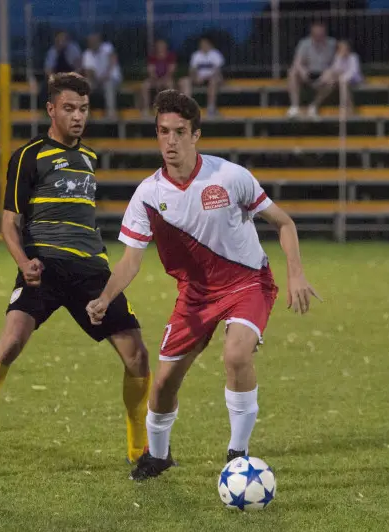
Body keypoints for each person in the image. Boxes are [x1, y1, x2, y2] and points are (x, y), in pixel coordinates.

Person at [85, 90, 321, 481]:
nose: (170, 141)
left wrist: (295, 271)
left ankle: (238, 455)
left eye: (179, 132)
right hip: (195, 296)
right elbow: (130, 260)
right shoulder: (148, 194)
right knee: (162, 384)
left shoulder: (228, 176)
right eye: (163, 132)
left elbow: (285, 223)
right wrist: (106, 298)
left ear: (196, 135)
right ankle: (158, 457)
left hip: (247, 283)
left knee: (236, 355)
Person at [0, 73, 151, 476]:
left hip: (90, 272)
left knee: (136, 355)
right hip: (42, 267)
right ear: (51, 110)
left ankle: (140, 453)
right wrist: (23, 262)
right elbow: (10, 221)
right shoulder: (28, 155)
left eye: (83, 109)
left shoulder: (91, 159)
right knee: (11, 341)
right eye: (69, 108)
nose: (78, 116)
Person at [286, 23, 337, 118]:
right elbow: (297, 61)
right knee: (292, 72)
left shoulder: (332, 43)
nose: (318, 37)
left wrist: (329, 72)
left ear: (325, 34)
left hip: (324, 73)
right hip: (308, 72)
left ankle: (314, 106)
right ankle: (295, 107)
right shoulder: (304, 43)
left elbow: (337, 62)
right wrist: (302, 70)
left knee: (332, 81)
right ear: (311, 34)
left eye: (321, 34)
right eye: (316, 35)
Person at [308, 40, 362, 119]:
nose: (342, 50)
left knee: (343, 83)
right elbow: (335, 69)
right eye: (340, 48)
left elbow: (353, 72)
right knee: (329, 77)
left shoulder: (353, 57)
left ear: (348, 49)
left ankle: (350, 109)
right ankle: (314, 104)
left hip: (353, 79)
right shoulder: (338, 57)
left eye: (344, 48)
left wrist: (341, 77)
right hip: (338, 80)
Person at [180, 37, 225, 117]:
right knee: (184, 80)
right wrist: (195, 77)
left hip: (213, 78)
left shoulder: (215, 54)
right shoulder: (196, 55)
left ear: (210, 44)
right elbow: (192, 70)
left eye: (205, 44)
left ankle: (211, 108)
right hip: (199, 78)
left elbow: (217, 71)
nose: (203, 46)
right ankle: (187, 108)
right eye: (202, 44)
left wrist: (207, 77)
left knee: (213, 81)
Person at [82, 33, 123, 119]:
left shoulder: (107, 47)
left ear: (99, 41)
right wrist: (96, 79)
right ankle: (85, 113)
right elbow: (88, 71)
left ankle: (111, 113)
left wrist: (104, 76)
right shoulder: (87, 54)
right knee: (85, 86)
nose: (92, 43)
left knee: (108, 84)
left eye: (94, 41)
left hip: (112, 78)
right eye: (90, 41)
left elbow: (113, 61)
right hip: (97, 80)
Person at [141, 39, 177, 116]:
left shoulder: (170, 56)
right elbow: (151, 71)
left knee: (170, 84)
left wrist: (163, 80)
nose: (160, 48)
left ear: (165, 47)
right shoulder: (152, 57)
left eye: (162, 46)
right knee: (145, 84)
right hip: (154, 79)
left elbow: (171, 72)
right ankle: (146, 108)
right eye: (159, 46)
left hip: (166, 78)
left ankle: (169, 108)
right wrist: (157, 80)